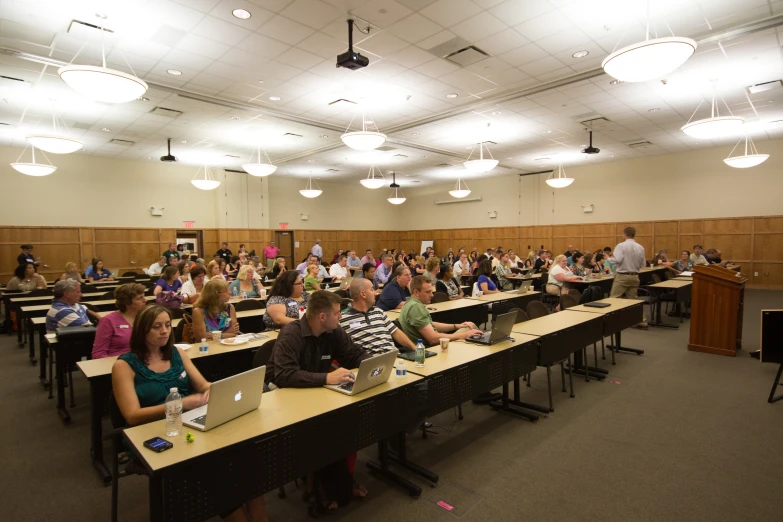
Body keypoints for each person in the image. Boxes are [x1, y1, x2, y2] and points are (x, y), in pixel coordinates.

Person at [265, 290, 370, 511]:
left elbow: (351, 354)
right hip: (284, 395)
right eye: (337, 313)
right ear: (322, 316)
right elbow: (284, 375)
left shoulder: (333, 331)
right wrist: (327, 377)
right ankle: (322, 487)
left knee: (347, 421)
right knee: (322, 429)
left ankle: (337, 482)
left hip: (318, 392)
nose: (341, 317)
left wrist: (373, 362)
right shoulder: (291, 334)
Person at [399, 276, 482, 345]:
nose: (432, 295)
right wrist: (464, 335)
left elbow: (428, 324)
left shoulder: (409, 303)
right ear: (416, 292)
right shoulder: (415, 307)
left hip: (433, 344)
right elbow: (433, 339)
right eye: (428, 292)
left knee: (468, 327)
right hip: (433, 348)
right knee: (471, 327)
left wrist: (457, 326)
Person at [340, 278, 416, 353]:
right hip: (372, 361)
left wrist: (416, 349)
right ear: (363, 294)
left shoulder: (378, 311)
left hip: (394, 357)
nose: (375, 293)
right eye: (372, 289)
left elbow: (396, 333)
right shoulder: (342, 319)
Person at [92, 283, 147, 359]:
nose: (145, 300)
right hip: (118, 363)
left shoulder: (146, 318)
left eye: (144, 296)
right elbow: (98, 354)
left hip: (143, 362)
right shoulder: (108, 321)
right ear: (127, 303)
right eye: (139, 298)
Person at [608, 227, 647, 329]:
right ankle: (641, 320)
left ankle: (612, 322)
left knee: (614, 299)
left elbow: (617, 260)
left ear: (625, 234)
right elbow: (643, 263)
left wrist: (607, 259)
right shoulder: (640, 247)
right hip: (635, 275)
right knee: (633, 300)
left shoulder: (621, 246)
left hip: (622, 276)